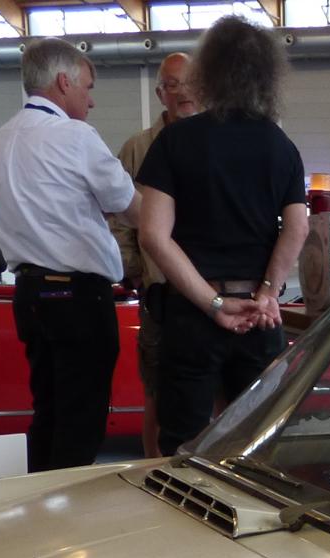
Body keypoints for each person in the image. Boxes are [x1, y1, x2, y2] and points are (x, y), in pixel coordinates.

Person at [137, 16, 308, 456]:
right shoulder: (281, 146)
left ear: (207, 72)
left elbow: (153, 235)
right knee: (255, 444)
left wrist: (212, 304)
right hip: (259, 315)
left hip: (192, 316)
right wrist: (267, 292)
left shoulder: (175, 141)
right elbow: (297, 227)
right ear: (268, 76)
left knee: (182, 445)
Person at [0, 38, 138, 472]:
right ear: (63, 82)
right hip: (77, 297)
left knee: (49, 413)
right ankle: (70, 510)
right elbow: (131, 208)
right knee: (81, 422)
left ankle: (41, 498)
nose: (90, 101)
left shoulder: (1, 139)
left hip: (30, 294)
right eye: (87, 88)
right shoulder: (75, 136)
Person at [112, 50, 199, 458]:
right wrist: (133, 269)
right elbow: (118, 217)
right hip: (160, 290)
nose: (183, 92)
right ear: (160, 93)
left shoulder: (213, 142)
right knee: (157, 390)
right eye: (173, 85)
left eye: (190, 83)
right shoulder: (137, 148)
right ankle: (153, 469)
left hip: (209, 290)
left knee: (209, 388)